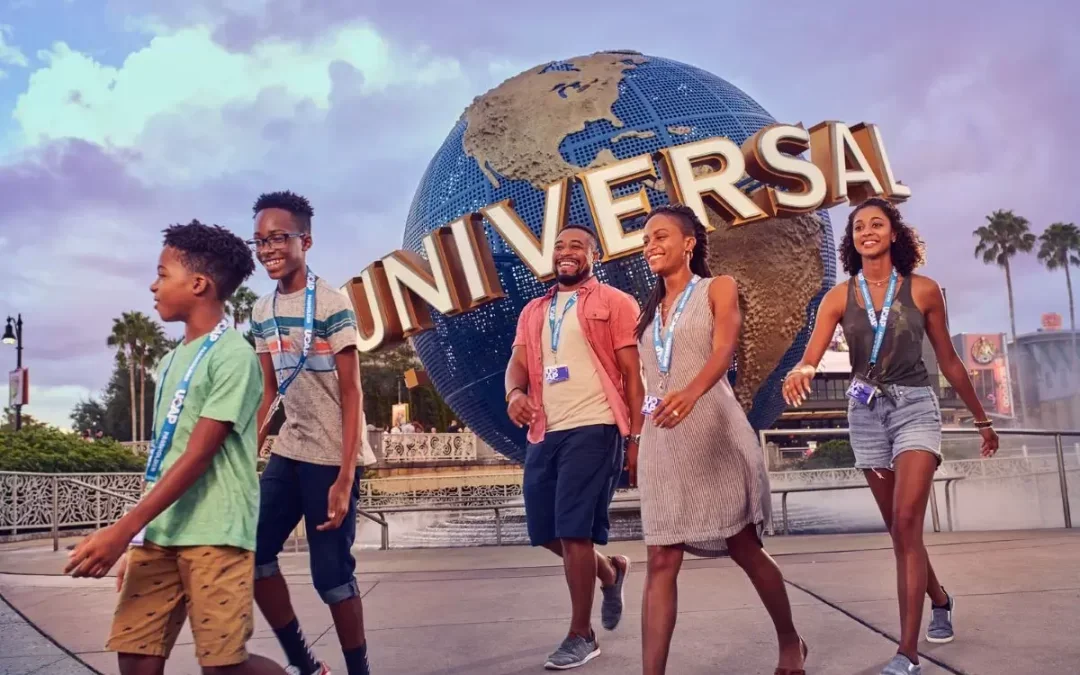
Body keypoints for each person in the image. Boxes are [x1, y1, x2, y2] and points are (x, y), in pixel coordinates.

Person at [782, 197, 999, 675]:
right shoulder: (839, 297)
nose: (867, 231)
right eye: (858, 226)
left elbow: (950, 361)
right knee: (901, 533)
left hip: (915, 408)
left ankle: (906, 652)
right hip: (865, 415)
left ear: (894, 233)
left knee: (906, 521)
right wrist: (802, 369)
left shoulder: (922, 291)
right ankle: (939, 599)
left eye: (876, 223)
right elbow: (811, 354)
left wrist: (982, 420)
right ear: (852, 239)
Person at [66, 221, 287, 675]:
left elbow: (198, 455)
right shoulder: (169, 361)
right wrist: (140, 539)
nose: (154, 284)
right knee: (137, 655)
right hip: (160, 533)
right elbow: (165, 455)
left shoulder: (233, 356)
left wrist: (121, 530)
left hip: (217, 534)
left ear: (199, 284)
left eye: (163, 274)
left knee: (223, 667)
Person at [633, 204, 807, 675]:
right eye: (646, 238)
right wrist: (637, 433)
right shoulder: (648, 309)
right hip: (664, 438)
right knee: (661, 557)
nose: (650, 244)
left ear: (689, 242)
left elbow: (725, 346)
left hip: (715, 429)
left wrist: (690, 392)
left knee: (744, 547)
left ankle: (790, 640)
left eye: (661, 236)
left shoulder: (718, 287)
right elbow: (647, 378)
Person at [248, 191, 378, 675]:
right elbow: (268, 392)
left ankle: (358, 671)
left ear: (306, 240)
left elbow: (353, 392)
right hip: (292, 446)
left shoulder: (331, 302)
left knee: (332, 578)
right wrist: (248, 451)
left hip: (331, 456)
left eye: (277, 238)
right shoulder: (261, 311)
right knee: (254, 553)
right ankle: (306, 664)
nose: (267, 249)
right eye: (259, 241)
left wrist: (346, 476)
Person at [504, 223, 644, 670]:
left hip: (595, 426)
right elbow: (518, 365)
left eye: (577, 246)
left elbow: (633, 376)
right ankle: (610, 571)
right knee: (545, 532)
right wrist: (514, 395)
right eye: (560, 246)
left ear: (593, 255)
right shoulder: (533, 311)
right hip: (546, 431)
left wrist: (636, 437)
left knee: (573, 530)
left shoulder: (615, 303)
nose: (566, 253)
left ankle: (581, 635)